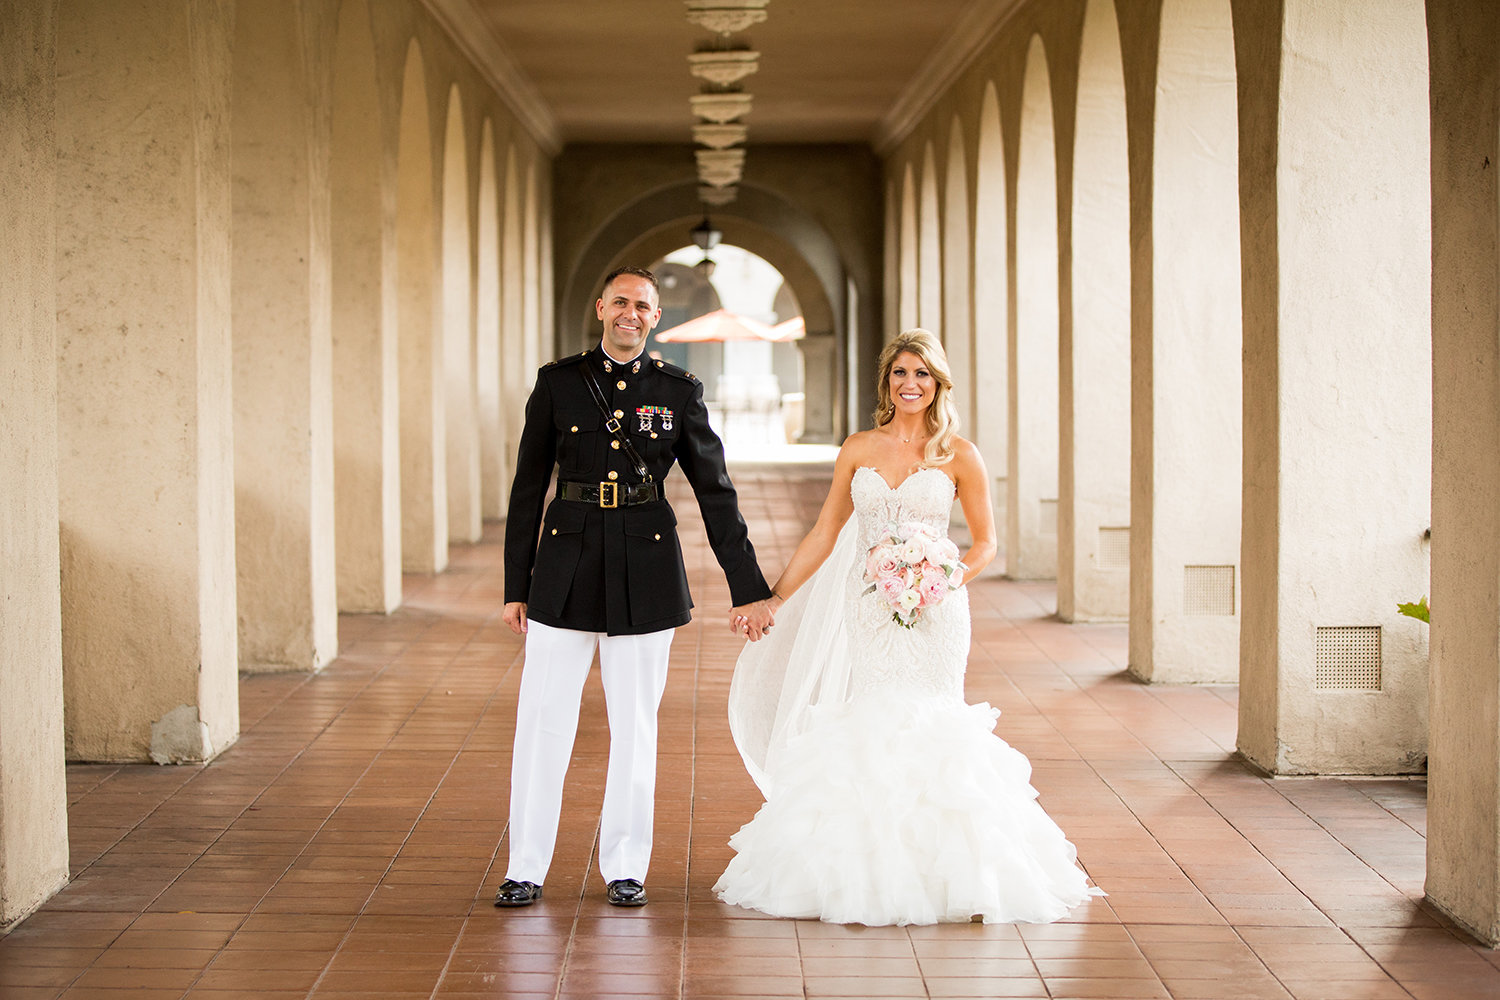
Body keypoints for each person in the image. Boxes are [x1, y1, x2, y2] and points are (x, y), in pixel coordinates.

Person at [714, 329, 1101, 925]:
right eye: (900, 373)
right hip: (868, 605)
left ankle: (956, 870)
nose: (910, 384)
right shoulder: (859, 448)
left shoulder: (960, 454)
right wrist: (774, 598)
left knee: (935, 718)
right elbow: (825, 531)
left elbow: (987, 543)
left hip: (937, 609)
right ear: (886, 382)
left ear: (938, 383)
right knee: (873, 714)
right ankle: (864, 866)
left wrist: (942, 579)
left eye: (921, 374)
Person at [495, 266, 774, 909]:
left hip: (646, 566)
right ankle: (527, 866)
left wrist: (747, 587)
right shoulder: (559, 383)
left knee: (635, 725)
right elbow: (526, 488)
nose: (631, 313)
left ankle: (626, 865)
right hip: (563, 568)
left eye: (642, 306)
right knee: (542, 720)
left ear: (655, 317)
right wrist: (517, 585)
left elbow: (716, 493)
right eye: (620, 301)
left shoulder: (677, 390)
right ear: (600, 308)